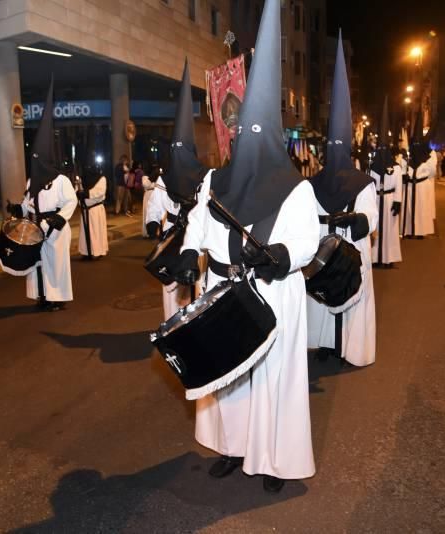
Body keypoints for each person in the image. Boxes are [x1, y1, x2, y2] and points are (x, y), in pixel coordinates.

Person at [173, 0, 319, 493]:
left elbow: (307, 238)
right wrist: (186, 253)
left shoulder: (295, 187)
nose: (245, 138)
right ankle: (234, 448)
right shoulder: (216, 177)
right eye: (240, 132)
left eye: (256, 132)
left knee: (272, 380)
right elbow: (197, 222)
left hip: (274, 293)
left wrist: (282, 256)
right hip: (223, 289)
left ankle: (273, 458)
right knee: (231, 378)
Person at [308, 33, 377, 368]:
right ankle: (327, 342)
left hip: (347, 246)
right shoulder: (313, 183)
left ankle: (347, 346)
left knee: (347, 293)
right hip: (328, 246)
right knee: (324, 296)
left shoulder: (361, 183)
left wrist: (355, 220)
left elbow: (368, 218)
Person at [145, 59, 209, 320]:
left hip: (197, 242)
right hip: (171, 238)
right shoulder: (164, 180)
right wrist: (152, 224)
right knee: (172, 290)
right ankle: (174, 324)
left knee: (198, 286)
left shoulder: (205, 178)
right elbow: (154, 206)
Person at [7, 78, 77, 311]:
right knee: (37, 263)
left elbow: (71, 200)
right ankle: (42, 295)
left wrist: (57, 219)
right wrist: (20, 209)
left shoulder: (61, 180)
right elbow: (28, 202)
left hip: (55, 228)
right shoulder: (32, 181)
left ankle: (57, 297)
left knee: (55, 264)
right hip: (36, 226)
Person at [370, 99, 403, 269]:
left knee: (389, 231)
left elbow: (398, 186)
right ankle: (375, 257)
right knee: (375, 229)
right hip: (376, 200)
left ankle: (388, 257)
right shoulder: (372, 168)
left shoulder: (395, 167)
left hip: (389, 200)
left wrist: (398, 201)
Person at [401, 114, 437, 239]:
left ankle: (420, 231)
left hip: (422, 185)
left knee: (421, 209)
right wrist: (404, 176)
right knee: (409, 209)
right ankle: (409, 231)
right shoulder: (408, 156)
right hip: (410, 185)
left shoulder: (430, 155)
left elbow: (432, 172)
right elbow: (402, 167)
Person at [77, 161, 109, 260]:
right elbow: (78, 190)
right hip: (85, 210)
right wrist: (78, 193)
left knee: (95, 232)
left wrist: (86, 193)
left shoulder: (101, 178)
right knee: (85, 232)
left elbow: (99, 192)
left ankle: (97, 251)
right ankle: (86, 252)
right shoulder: (83, 179)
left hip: (95, 210)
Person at [141, 165, 157, 237]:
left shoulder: (156, 176)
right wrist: (153, 184)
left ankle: (154, 230)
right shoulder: (145, 176)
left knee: (155, 213)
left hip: (155, 194)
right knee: (147, 213)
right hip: (148, 195)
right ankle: (148, 231)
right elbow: (146, 184)